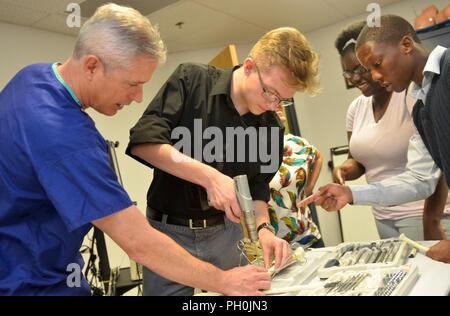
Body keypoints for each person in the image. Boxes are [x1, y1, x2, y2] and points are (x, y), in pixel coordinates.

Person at [0, 4, 272, 295]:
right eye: (132, 84)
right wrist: (224, 281)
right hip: (31, 283)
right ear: (92, 65)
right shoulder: (65, 137)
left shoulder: (32, 78)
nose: (138, 96)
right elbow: (138, 242)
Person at [126, 27, 321, 295]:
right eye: (270, 92)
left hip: (230, 234)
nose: (273, 105)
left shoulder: (270, 127)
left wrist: (263, 229)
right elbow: (144, 143)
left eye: (283, 101)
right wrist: (210, 177)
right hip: (169, 232)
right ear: (250, 66)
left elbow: (258, 188)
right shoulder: (192, 80)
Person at [312, 15, 450, 263]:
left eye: (376, 64)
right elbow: (420, 180)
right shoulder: (421, 107)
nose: (374, 76)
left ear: (406, 45)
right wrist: (351, 194)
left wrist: (431, 220)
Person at [268, 109, 322, 246]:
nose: (278, 105)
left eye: (281, 100)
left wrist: (308, 189)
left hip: (308, 237)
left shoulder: (296, 143)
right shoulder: (249, 150)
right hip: (274, 245)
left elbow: (318, 157)